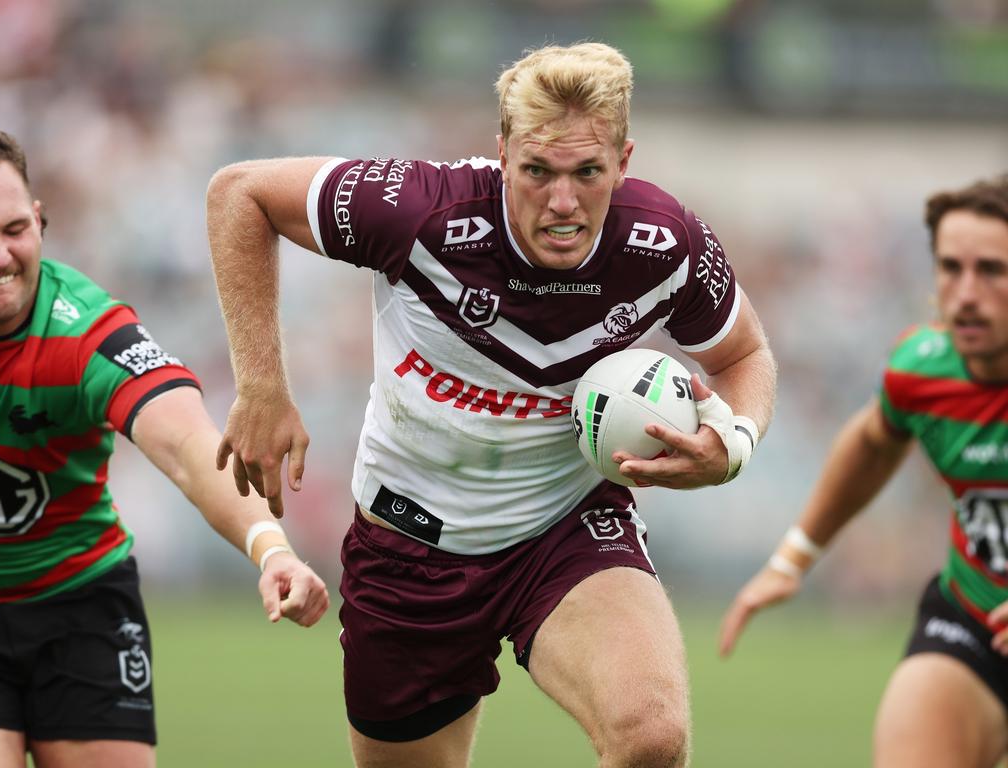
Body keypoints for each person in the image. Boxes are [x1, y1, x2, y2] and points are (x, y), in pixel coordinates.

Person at [207, 42, 776, 768]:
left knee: (651, 737)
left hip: (566, 530)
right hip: (409, 546)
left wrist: (734, 445)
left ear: (623, 161)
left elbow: (746, 357)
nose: (562, 202)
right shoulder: (420, 209)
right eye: (538, 171)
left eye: (587, 173)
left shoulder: (665, 243)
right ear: (502, 152)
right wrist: (261, 387)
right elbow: (238, 193)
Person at [0, 125, 329, 768]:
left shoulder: (87, 332)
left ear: (39, 218)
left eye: (12, 230)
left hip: (78, 601)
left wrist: (270, 549)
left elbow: (192, 450)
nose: (0, 257)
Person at [719, 175, 1008, 768]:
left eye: (993, 270)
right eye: (951, 268)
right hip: (972, 617)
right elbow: (874, 441)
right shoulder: (924, 369)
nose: (966, 293)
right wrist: (793, 558)